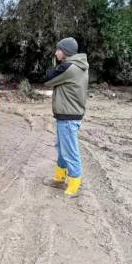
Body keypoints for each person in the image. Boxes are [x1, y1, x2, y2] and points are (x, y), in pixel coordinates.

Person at [42, 37, 89, 197]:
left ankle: (74, 183)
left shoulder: (69, 67)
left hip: (69, 116)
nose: (56, 53)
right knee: (62, 149)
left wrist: (57, 67)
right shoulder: (79, 65)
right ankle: (59, 178)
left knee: (70, 151)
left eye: (58, 50)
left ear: (66, 52)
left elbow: (47, 79)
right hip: (69, 114)